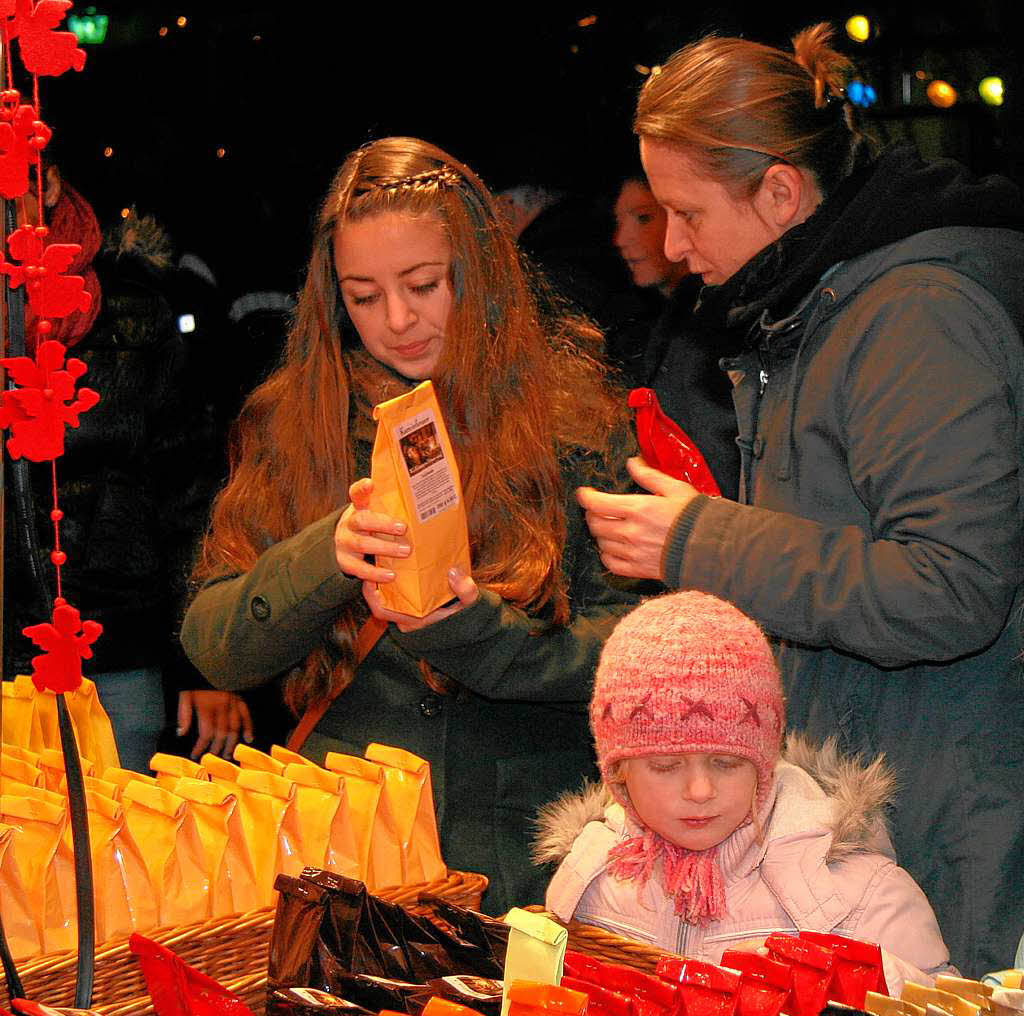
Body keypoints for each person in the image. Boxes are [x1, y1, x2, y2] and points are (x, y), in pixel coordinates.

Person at [576, 24, 1024, 975]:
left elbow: (954, 587)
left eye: (688, 211)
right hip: (893, 788)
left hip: (955, 805)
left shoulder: (914, 317)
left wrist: (701, 540)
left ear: (780, 191)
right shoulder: (817, 304)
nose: (674, 241)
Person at [180, 137, 644, 914]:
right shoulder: (293, 418)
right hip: (351, 864)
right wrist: (325, 557)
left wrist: (482, 636)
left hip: (536, 860)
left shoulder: (573, 414)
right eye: (363, 296)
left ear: (480, 273)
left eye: (424, 285)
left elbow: (638, 652)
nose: (397, 320)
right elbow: (214, 643)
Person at [538, 591, 955, 994]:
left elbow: (941, 1000)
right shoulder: (587, 879)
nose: (700, 790)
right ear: (618, 773)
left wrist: (872, 982)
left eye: (728, 763)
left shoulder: (853, 894)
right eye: (666, 766)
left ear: (764, 762)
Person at [2, 163, 247, 772]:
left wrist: (205, 662)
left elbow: (192, 498)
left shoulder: (135, 314)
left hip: (119, 651)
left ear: (49, 186)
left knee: (122, 850)